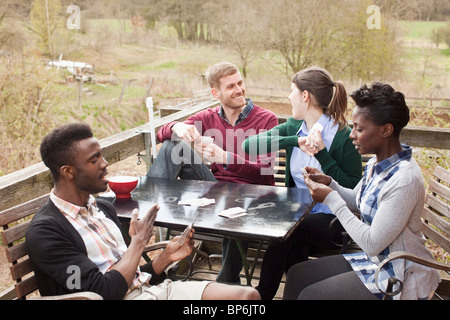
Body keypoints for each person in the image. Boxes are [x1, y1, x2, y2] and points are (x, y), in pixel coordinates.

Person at [26, 123, 260, 300]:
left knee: (247, 297)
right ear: (68, 171)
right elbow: (104, 292)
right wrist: (138, 243)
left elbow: (131, 275)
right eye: (94, 159)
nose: (105, 164)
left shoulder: (103, 209)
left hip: (152, 291)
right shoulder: (47, 233)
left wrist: (165, 258)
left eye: (102, 155)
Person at [283, 82, 441, 300]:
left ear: (386, 130)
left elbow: (372, 243)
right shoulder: (377, 163)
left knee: (311, 295)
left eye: (359, 128)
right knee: (297, 274)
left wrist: (330, 199)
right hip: (376, 260)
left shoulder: (404, 179)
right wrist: (331, 184)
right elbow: (357, 202)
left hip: (397, 272)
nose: (352, 135)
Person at [147, 62, 279, 283]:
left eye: (240, 83)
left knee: (239, 213)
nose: (239, 90)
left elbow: (264, 173)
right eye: (230, 86)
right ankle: (146, 213)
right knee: (173, 146)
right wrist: (176, 127)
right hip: (215, 190)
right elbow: (162, 134)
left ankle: (226, 282)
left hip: (252, 196)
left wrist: (226, 157)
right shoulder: (206, 118)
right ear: (215, 93)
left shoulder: (266, 119)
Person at [242, 66, 362, 300]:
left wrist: (323, 154)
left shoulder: (342, 136)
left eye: (291, 91)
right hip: (301, 218)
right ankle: (298, 295)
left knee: (288, 230)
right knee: (295, 245)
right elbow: (249, 146)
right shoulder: (293, 128)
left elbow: (355, 192)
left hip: (335, 221)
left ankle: (261, 295)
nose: (289, 97)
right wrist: (295, 141)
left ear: (304, 96)